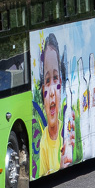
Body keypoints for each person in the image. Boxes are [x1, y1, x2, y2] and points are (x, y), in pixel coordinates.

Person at [32, 35, 65, 178]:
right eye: (47, 81)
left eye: (55, 78)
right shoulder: (44, 141)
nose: (52, 92)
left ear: (61, 84)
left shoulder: (67, 131)